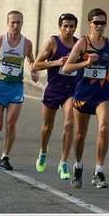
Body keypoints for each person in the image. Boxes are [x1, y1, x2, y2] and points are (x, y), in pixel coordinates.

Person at [62, 8, 109, 189]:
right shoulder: (82, 43)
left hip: (102, 94)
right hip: (83, 95)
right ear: (89, 24)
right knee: (81, 135)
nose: (100, 26)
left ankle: (98, 171)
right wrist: (86, 62)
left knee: (104, 129)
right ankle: (78, 166)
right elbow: (66, 68)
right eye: (96, 22)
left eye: (103, 23)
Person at [0, 10, 39, 170]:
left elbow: (30, 60)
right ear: (7, 23)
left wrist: (33, 72)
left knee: (11, 124)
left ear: (22, 23)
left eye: (18, 22)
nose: (15, 25)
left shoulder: (27, 43)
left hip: (16, 88)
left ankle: (5, 157)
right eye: (12, 22)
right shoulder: (0, 40)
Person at [33, 13, 79, 180]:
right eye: (65, 26)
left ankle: (63, 163)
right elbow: (35, 65)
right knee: (48, 127)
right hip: (52, 89)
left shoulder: (78, 44)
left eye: (71, 26)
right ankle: (43, 152)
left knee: (69, 124)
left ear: (75, 27)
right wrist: (56, 62)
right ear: (59, 27)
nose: (68, 30)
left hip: (71, 90)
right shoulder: (53, 43)